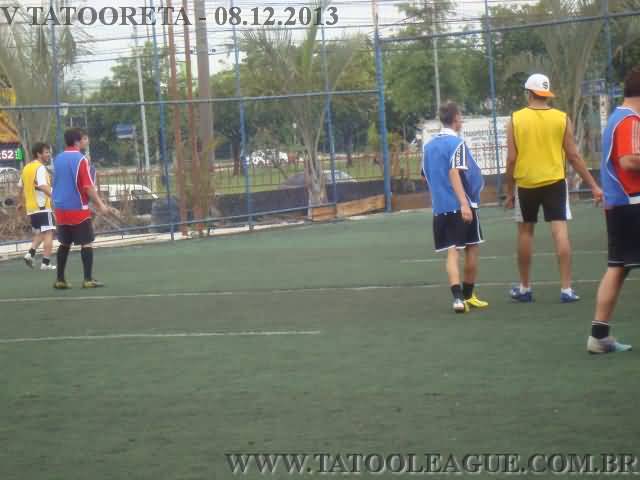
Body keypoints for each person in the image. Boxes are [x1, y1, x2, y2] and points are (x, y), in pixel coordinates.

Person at [504, 73, 603, 303]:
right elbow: (574, 156)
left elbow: (511, 159)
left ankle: (525, 288)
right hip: (555, 183)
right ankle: (566, 289)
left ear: (528, 93)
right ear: (546, 94)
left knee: (525, 233)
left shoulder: (515, 119)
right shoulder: (562, 118)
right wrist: (594, 186)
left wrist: (509, 191)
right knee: (560, 232)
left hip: (526, 183)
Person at [587, 66, 640, 354]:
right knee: (617, 268)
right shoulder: (630, 120)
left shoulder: (618, 118)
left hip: (620, 206)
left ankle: (599, 336)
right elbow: (629, 160)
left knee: (617, 268)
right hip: (631, 205)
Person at [423, 102, 488, 314]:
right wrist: (464, 203)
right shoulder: (457, 143)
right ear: (456, 118)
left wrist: (439, 197)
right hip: (461, 205)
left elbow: (426, 175)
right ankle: (466, 296)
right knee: (471, 248)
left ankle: (460, 299)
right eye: (461, 116)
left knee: (454, 251)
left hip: (440, 208)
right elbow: (454, 172)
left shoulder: (428, 147)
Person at [52, 128, 110, 289]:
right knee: (86, 243)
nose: (86, 141)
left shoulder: (57, 158)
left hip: (60, 208)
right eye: (84, 139)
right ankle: (88, 279)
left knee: (64, 243)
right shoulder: (81, 159)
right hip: (77, 208)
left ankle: (60, 280)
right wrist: (101, 205)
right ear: (77, 141)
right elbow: (88, 187)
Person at [19, 142, 56, 271]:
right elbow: (42, 185)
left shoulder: (26, 168)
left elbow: (21, 186)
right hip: (42, 206)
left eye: (49, 152)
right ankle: (45, 263)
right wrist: (55, 197)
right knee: (49, 232)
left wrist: (21, 203)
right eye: (46, 152)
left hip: (31, 208)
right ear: (38, 154)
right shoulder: (40, 168)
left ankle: (30, 254)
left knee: (41, 232)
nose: (49, 154)